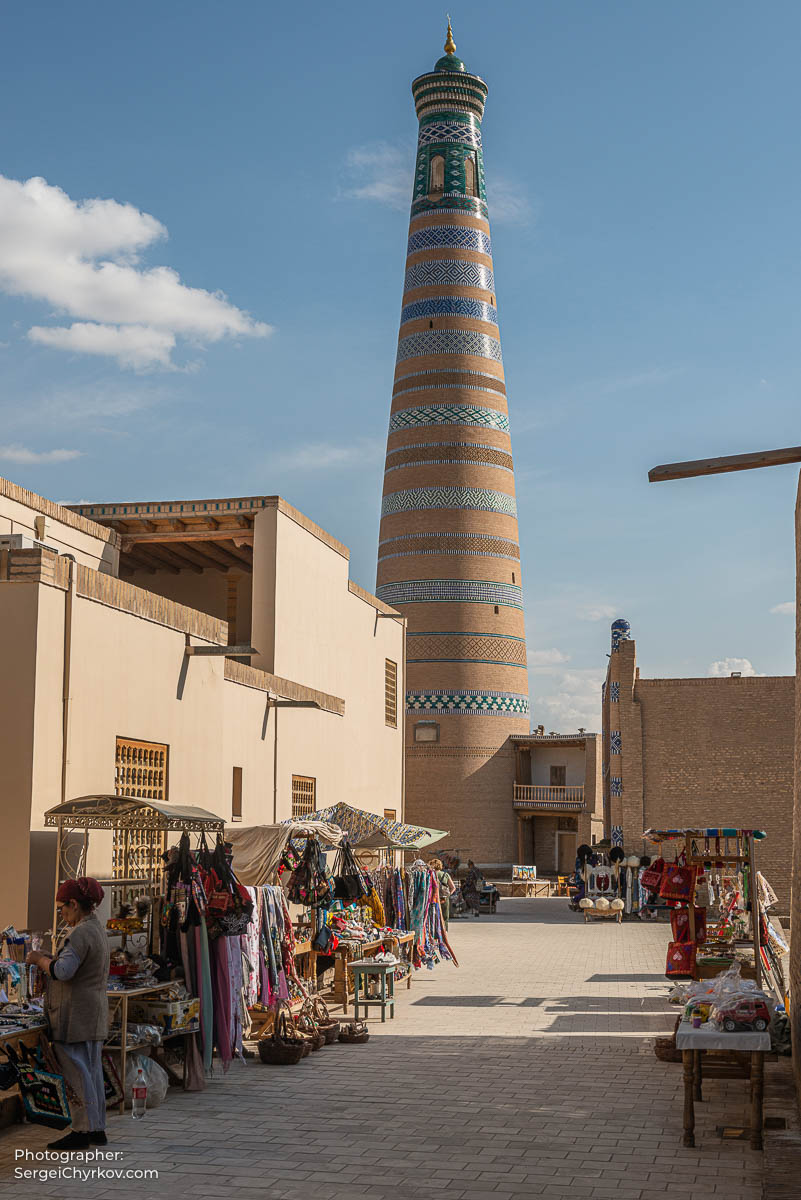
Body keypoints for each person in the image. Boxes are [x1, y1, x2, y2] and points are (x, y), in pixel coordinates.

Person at [26, 877, 110, 1151]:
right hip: (91, 1012)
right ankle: (97, 1128)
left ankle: (81, 1130)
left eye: (63, 907)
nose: (61, 913)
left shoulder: (80, 933)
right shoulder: (95, 929)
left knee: (77, 1074)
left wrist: (39, 960)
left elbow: (63, 972)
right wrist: (52, 957)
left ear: (75, 904)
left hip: (75, 1016)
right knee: (92, 1072)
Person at [429, 857, 457, 929]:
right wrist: (448, 895)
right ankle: (444, 933)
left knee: (433, 917)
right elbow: (453, 887)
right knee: (444, 917)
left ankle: (434, 933)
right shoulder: (445, 875)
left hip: (432, 898)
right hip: (444, 899)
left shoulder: (430, 874)